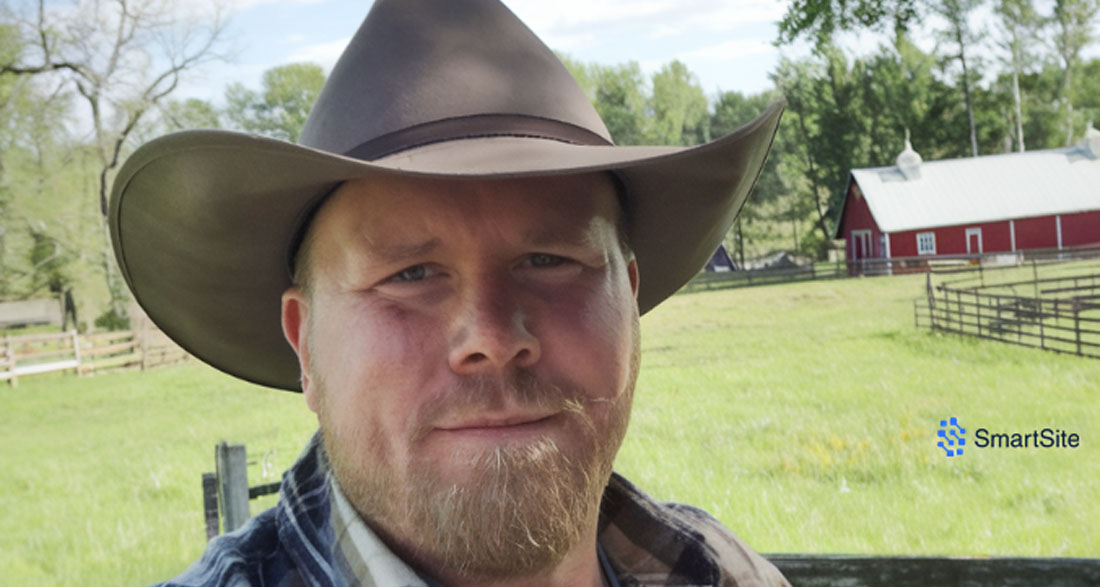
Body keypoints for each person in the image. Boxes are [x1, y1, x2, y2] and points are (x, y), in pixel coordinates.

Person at [109, 0, 789, 585]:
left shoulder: (722, 571)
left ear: (629, 302)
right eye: (409, 275)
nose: (492, 336)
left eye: (549, 258)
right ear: (305, 344)